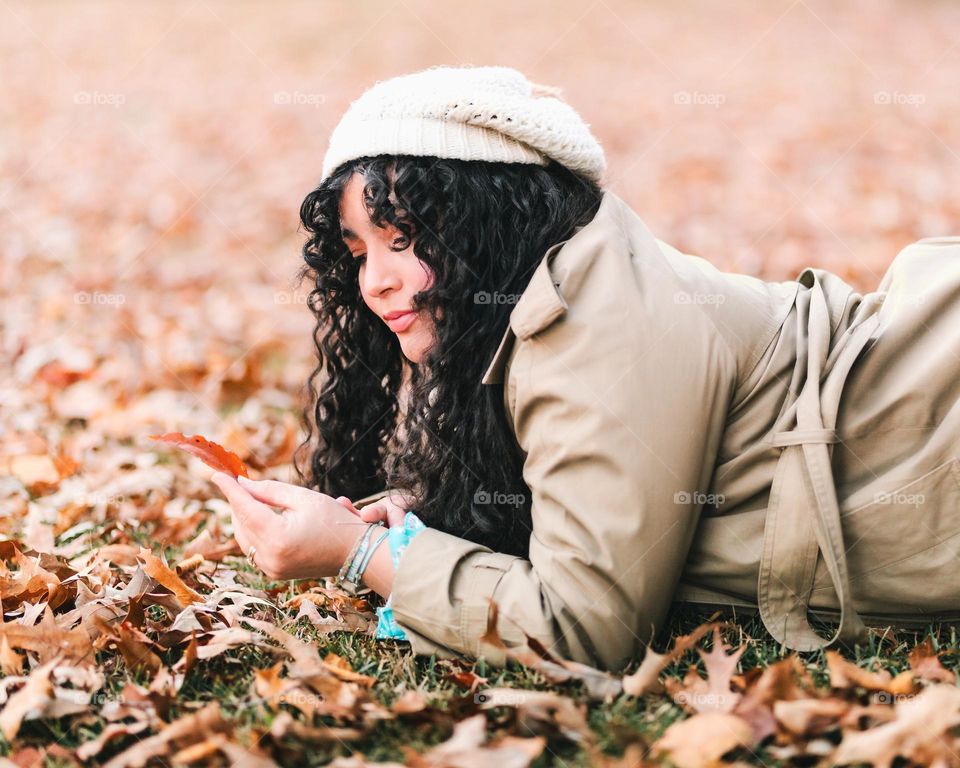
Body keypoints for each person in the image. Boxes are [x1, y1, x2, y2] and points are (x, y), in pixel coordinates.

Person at [211, 64, 960, 674]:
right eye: (358, 251)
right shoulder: (547, 295)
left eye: (403, 238)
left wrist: (361, 554)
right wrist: (423, 525)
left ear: (486, 216)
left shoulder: (593, 321)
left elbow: (582, 629)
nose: (374, 281)